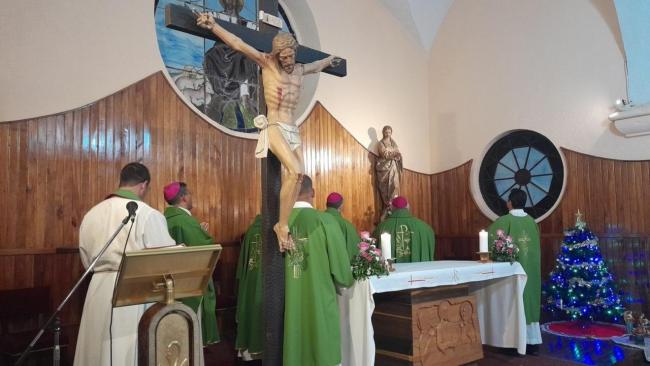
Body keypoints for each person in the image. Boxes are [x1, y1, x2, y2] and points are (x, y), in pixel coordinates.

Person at [196, 12, 341, 252]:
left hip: (293, 128)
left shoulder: (299, 70)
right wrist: (214, 27)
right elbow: (238, 44)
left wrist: (329, 61)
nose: (288, 60)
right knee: (295, 172)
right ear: (276, 54)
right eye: (283, 56)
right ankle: (281, 225)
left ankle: (285, 220)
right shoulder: (267, 63)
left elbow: (315, 66)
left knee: (299, 176)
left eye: (291, 55)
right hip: (274, 125)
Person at [74, 162, 177, 366]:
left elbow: (87, 259)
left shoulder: (92, 214)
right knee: (124, 350)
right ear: (143, 185)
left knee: (97, 350)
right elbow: (164, 260)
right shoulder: (147, 214)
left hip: (98, 288)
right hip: (134, 290)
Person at [284, 175, 354, 366]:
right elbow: (342, 272)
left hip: (286, 302)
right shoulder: (325, 221)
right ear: (312, 192)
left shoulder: (279, 225)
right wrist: (348, 279)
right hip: (319, 300)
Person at [163, 181, 220, 346]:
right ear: (183, 198)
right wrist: (204, 235)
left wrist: (199, 231)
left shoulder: (164, 218)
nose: (191, 197)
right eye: (190, 194)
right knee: (191, 335)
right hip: (189, 283)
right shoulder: (186, 221)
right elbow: (205, 248)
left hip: (170, 283)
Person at [488, 188, 542, 354]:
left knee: (514, 300)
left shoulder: (503, 221)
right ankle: (531, 341)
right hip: (531, 271)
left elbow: (491, 242)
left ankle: (513, 342)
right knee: (529, 300)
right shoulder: (532, 222)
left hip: (512, 272)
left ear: (509, 202)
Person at [235, 214, 264, 360]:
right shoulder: (276, 230)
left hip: (251, 279)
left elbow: (244, 262)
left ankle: (248, 353)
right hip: (269, 280)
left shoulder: (252, 230)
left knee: (251, 310)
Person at [373, 196, 435, 263]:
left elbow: (373, 249)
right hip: (419, 271)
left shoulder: (382, 227)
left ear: (391, 208)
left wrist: (383, 222)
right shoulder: (425, 228)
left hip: (391, 271)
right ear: (408, 207)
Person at [375, 125, 402, 220]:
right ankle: (387, 208)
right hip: (384, 169)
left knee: (395, 186)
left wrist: (397, 156)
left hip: (394, 167)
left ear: (391, 133)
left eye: (389, 132)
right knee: (386, 189)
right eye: (386, 132)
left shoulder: (394, 143)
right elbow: (384, 154)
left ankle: (393, 207)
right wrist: (393, 154)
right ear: (383, 133)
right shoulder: (380, 143)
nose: (387, 134)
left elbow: (397, 153)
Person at [323, 192, 361, 260]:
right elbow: (354, 252)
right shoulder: (347, 226)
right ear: (341, 206)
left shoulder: (318, 222)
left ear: (326, 205)